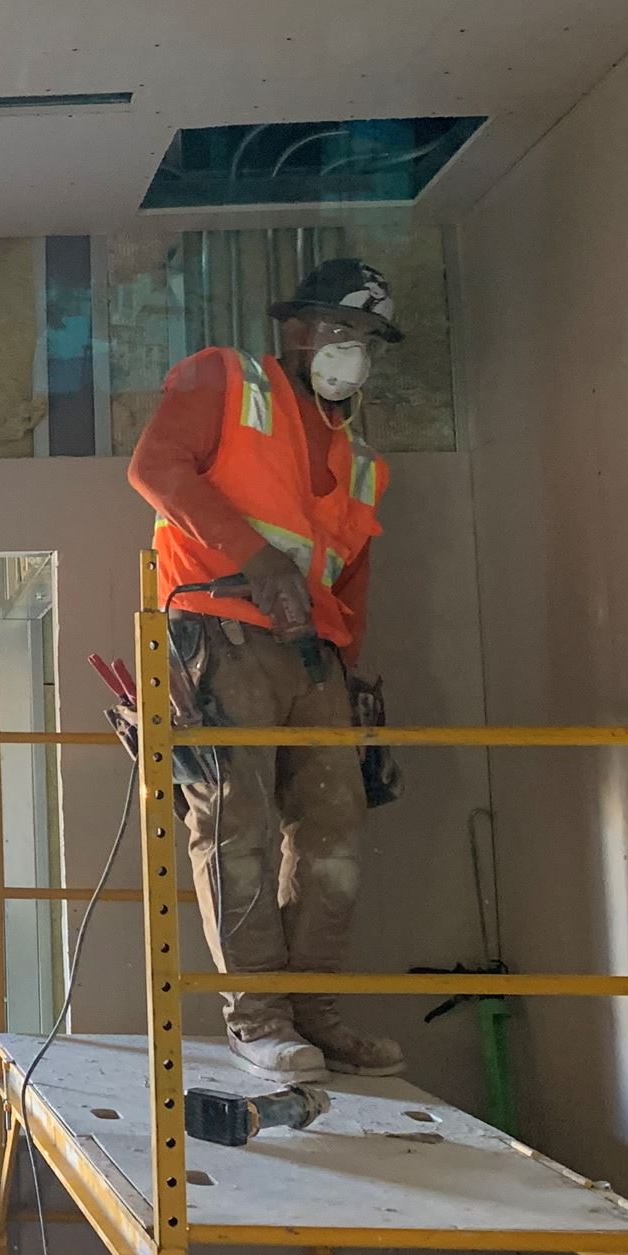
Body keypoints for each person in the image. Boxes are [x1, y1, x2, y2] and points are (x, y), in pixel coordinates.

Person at [126, 258, 404, 1083]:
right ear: (296, 330)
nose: (350, 351)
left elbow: (348, 577)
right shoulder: (227, 381)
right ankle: (259, 1021)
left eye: (365, 341)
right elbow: (155, 469)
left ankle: (312, 1016)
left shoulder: (359, 458)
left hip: (313, 656)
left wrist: (349, 676)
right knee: (236, 827)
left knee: (334, 838)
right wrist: (257, 561)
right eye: (339, 331)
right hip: (222, 632)